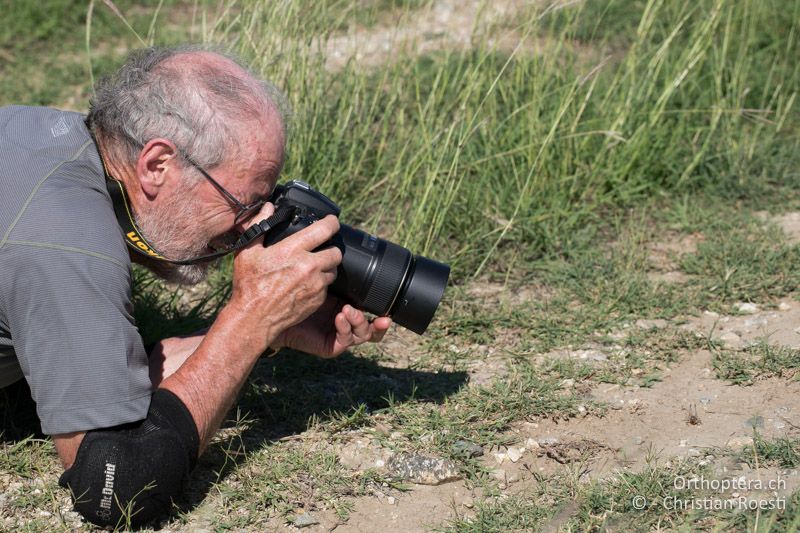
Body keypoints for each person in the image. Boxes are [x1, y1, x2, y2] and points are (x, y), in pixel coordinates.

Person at [0, 45, 391, 527]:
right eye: (244, 202)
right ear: (157, 164)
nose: (252, 226)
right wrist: (250, 320)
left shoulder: (48, 140)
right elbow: (114, 489)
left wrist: (270, 330)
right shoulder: (69, 242)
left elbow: (89, 367)